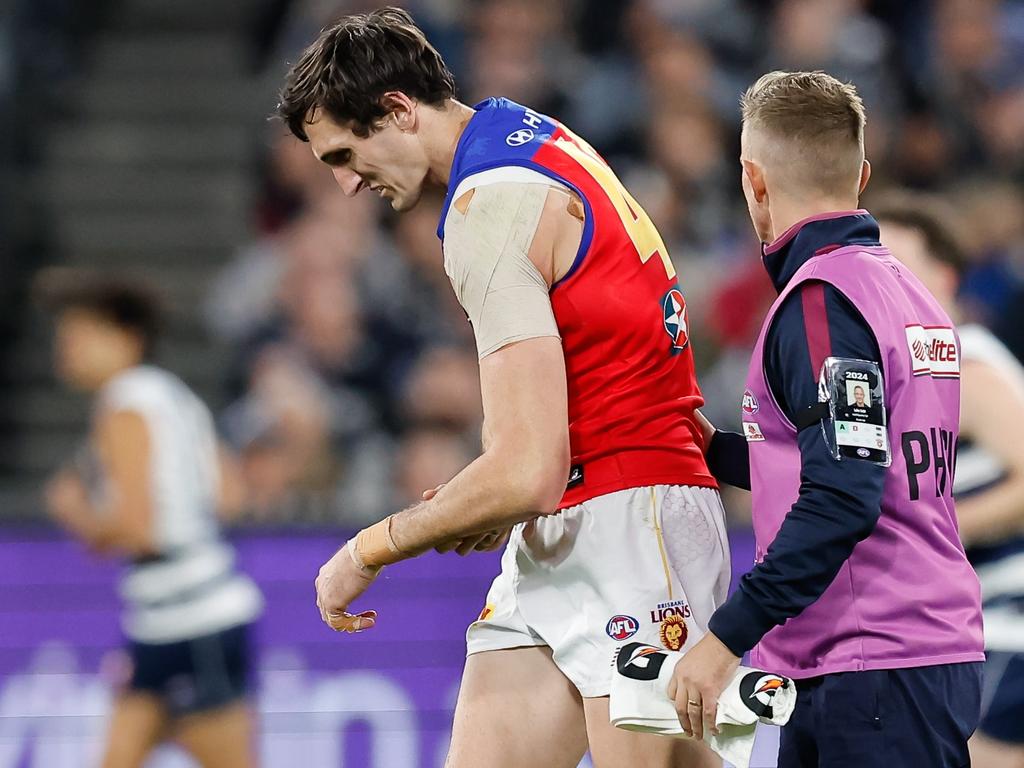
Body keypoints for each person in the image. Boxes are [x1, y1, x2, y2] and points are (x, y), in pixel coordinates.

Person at [276, 7, 729, 767]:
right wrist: (490, 493)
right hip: (579, 514)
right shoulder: (529, 134)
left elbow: (526, 469)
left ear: (396, 109)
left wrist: (369, 549)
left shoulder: (488, 206)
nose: (349, 185)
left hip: (629, 523)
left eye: (346, 155)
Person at [670, 72, 984, 767]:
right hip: (904, 655)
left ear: (754, 180)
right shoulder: (907, 292)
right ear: (862, 174)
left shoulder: (821, 303)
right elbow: (861, 458)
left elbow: (844, 493)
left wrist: (726, 638)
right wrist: (712, 451)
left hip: (870, 662)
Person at [40, 274, 263, 768]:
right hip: (170, 618)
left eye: (77, 335)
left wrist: (77, 513)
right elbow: (230, 496)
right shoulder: (174, 395)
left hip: (191, 622)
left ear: (125, 337)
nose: (66, 350)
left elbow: (138, 529)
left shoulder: (122, 406)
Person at [875, 193, 1024, 768]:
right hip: (973, 623)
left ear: (946, 276)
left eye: (900, 267)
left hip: (1010, 617)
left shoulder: (966, 365)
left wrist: (933, 536)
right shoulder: (916, 373)